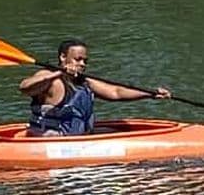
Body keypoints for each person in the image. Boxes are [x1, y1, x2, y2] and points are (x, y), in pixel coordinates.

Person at [19, 39, 171, 136]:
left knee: (115, 132)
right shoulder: (49, 77)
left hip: (79, 139)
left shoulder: (85, 81)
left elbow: (115, 92)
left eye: (85, 60)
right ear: (63, 58)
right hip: (51, 141)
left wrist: (150, 93)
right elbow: (25, 88)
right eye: (78, 59)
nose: (82, 64)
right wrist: (57, 74)